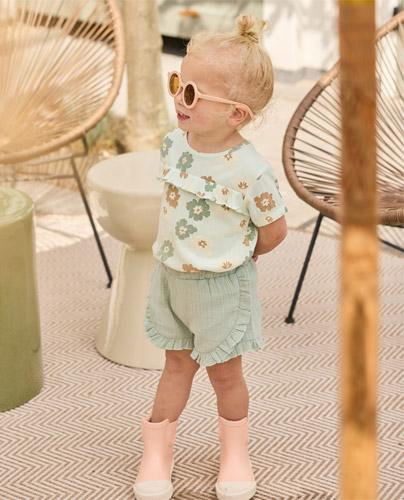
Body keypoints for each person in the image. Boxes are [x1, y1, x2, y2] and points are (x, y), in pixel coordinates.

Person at [133, 14, 288, 500]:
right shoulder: (172, 145)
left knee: (225, 374)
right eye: (177, 83)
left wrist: (240, 255)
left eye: (192, 93)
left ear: (236, 114)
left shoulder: (250, 170)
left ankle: (235, 453)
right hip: (171, 280)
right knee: (175, 367)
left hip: (221, 287)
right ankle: (157, 453)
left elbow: (275, 230)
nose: (178, 99)